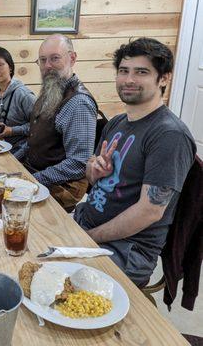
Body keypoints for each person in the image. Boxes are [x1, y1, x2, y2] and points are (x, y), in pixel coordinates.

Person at [74, 38, 196, 287]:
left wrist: (88, 238)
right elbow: (89, 174)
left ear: (163, 78)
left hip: (126, 251)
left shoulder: (169, 135)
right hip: (85, 223)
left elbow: (150, 210)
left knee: (50, 282)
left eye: (141, 72)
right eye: (123, 71)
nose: (129, 80)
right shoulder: (117, 122)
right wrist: (94, 170)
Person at [22, 34, 98, 212]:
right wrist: (13, 161)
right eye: (42, 60)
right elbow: (35, 138)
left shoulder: (78, 103)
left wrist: (33, 180)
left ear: (72, 58)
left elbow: (79, 163)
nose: (47, 66)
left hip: (63, 187)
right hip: (38, 173)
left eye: (54, 58)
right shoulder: (52, 89)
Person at [0, 47, 36, 158]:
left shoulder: (23, 94)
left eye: (0, 65)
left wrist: (11, 131)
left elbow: (40, 126)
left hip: (22, 153)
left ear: (10, 67)